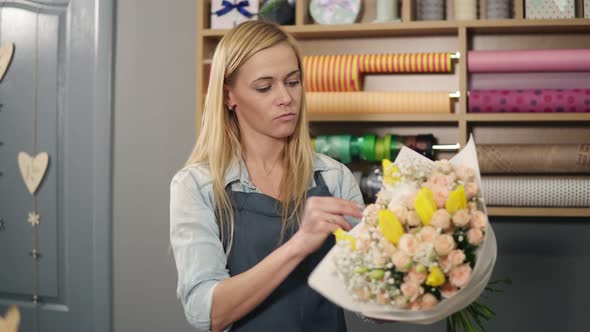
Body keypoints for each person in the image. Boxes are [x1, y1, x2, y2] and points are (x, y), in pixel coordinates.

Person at [170, 20, 365, 332]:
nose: (285, 98)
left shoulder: (334, 177)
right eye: (264, 87)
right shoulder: (197, 186)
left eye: (293, 82)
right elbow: (206, 312)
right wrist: (299, 244)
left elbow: (369, 299)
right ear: (228, 97)